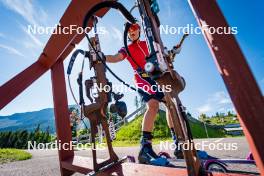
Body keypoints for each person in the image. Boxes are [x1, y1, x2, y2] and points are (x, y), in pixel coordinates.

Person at [105, 23, 183, 165]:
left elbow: (164, 55)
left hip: (156, 75)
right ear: (127, 34)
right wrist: (101, 57)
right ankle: (145, 147)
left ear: (140, 30)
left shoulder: (148, 43)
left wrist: (173, 51)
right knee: (153, 105)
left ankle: (178, 144)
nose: (132, 31)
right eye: (129, 30)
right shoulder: (126, 48)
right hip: (142, 78)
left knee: (170, 103)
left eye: (134, 28)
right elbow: (115, 57)